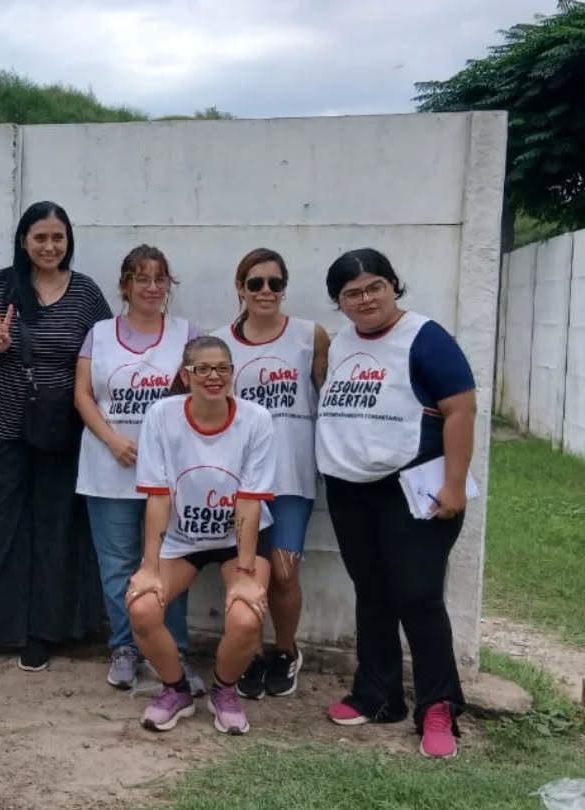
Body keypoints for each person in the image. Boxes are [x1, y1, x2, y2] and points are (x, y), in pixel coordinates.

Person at [0, 201, 113, 688]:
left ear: (68, 240)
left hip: (60, 433)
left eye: (58, 238)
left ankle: (41, 632)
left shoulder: (87, 293)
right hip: (0, 427)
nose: (50, 247)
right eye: (40, 238)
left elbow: (106, 354)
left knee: (52, 533)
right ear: (23, 241)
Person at [315, 248, 476, 759]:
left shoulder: (425, 337)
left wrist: (454, 483)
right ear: (339, 303)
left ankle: (439, 706)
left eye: (374, 287)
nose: (365, 299)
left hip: (414, 484)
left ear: (393, 286)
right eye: (351, 293)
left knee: (418, 595)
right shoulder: (341, 342)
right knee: (372, 590)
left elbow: (461, 410)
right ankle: (378, 695)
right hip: (351, 486)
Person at [127, 336, 276, 734]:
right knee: (141, 608)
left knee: (246, 619)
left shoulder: (256, 419)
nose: (214, 377)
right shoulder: (162, 414)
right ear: (185, 375)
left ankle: (224, 691)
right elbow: (157, 496)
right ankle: (175, 691)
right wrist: (149, 567)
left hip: (238, 539)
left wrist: (245, 572)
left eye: (223, 369)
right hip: (182, 538)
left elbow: (249, 501)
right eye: (202, 369)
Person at [74, 245, 204, 693]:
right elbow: (83, 395)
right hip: (108, 466)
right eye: (141, 278)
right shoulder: (101, 333)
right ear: (125, 285)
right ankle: (125, 647)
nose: (152, 287)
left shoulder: (188, 334)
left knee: (171, 563)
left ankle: (174, 650)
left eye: (160, 278)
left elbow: (204, 396)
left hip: (170, 476)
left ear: (169, 285)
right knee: (118, 566)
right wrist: (112, 440)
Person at [214, 248, 329, 699]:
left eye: (275, 283)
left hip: (293, 477)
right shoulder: (219, 341)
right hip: (239, 482)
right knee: (246, 572)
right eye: (255, 283)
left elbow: (329, 401)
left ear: (285, 288)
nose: (266, 292)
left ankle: (284, 650)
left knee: (282, 572)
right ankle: (251, 653)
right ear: (240, 288)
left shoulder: (310, 336)